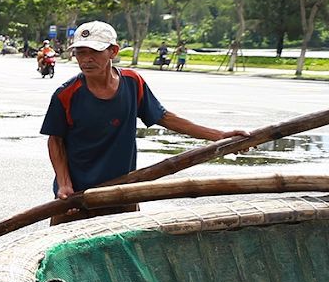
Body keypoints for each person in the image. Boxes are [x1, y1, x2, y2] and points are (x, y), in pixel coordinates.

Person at [41, 20, 244, 223]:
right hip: (76, 198)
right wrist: (64, 184)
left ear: (113, 51)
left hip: (122, 191)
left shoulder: (132, 83)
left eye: (94, 52)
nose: (86, 60)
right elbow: (55, 140)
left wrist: (218, 136)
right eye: (81, 53)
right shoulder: (66, 94)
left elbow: (164, 117)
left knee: (123, 251)